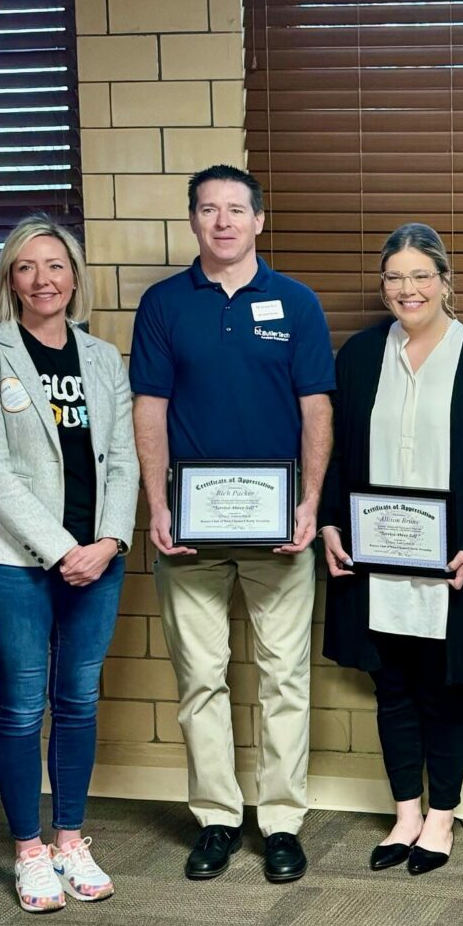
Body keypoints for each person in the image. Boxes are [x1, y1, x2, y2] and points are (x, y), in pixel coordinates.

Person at [130, 164, 334, 883]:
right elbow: (149, 408)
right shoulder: (162, 306)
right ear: (193, 221)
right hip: (188, 531)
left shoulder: (297, 303)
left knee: (285, 678)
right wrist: (157, 505)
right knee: (201, 679)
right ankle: (217, 818)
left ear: (258, 221)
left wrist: (309, 504)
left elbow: (316, 409)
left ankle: (280, 823)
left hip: (282, 532)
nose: (223, 221)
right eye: (209, 210)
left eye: (236, 209)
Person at [320, 223, 463, 874]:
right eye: (394, 277)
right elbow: (336, 455)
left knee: (445, 688)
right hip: (376, 562)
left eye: (419, 276)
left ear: (444, 282)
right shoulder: (357, 358)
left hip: (453, 561)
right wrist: (329, 525)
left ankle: (442, 818)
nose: (407, 289)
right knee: (392, 687)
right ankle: (406, 812)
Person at [0, 216, 139, 913]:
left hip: (100, 557)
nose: (44, 280)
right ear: (11, 279)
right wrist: (63, 550)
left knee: (78, 701)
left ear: (74, 277)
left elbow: (122, 460)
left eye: (56, 266)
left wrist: (111, 541)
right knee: (24, 705)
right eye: (27, 267)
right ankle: (29, 852)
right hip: (12, 564)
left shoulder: (102, 358)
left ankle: (70, 840)